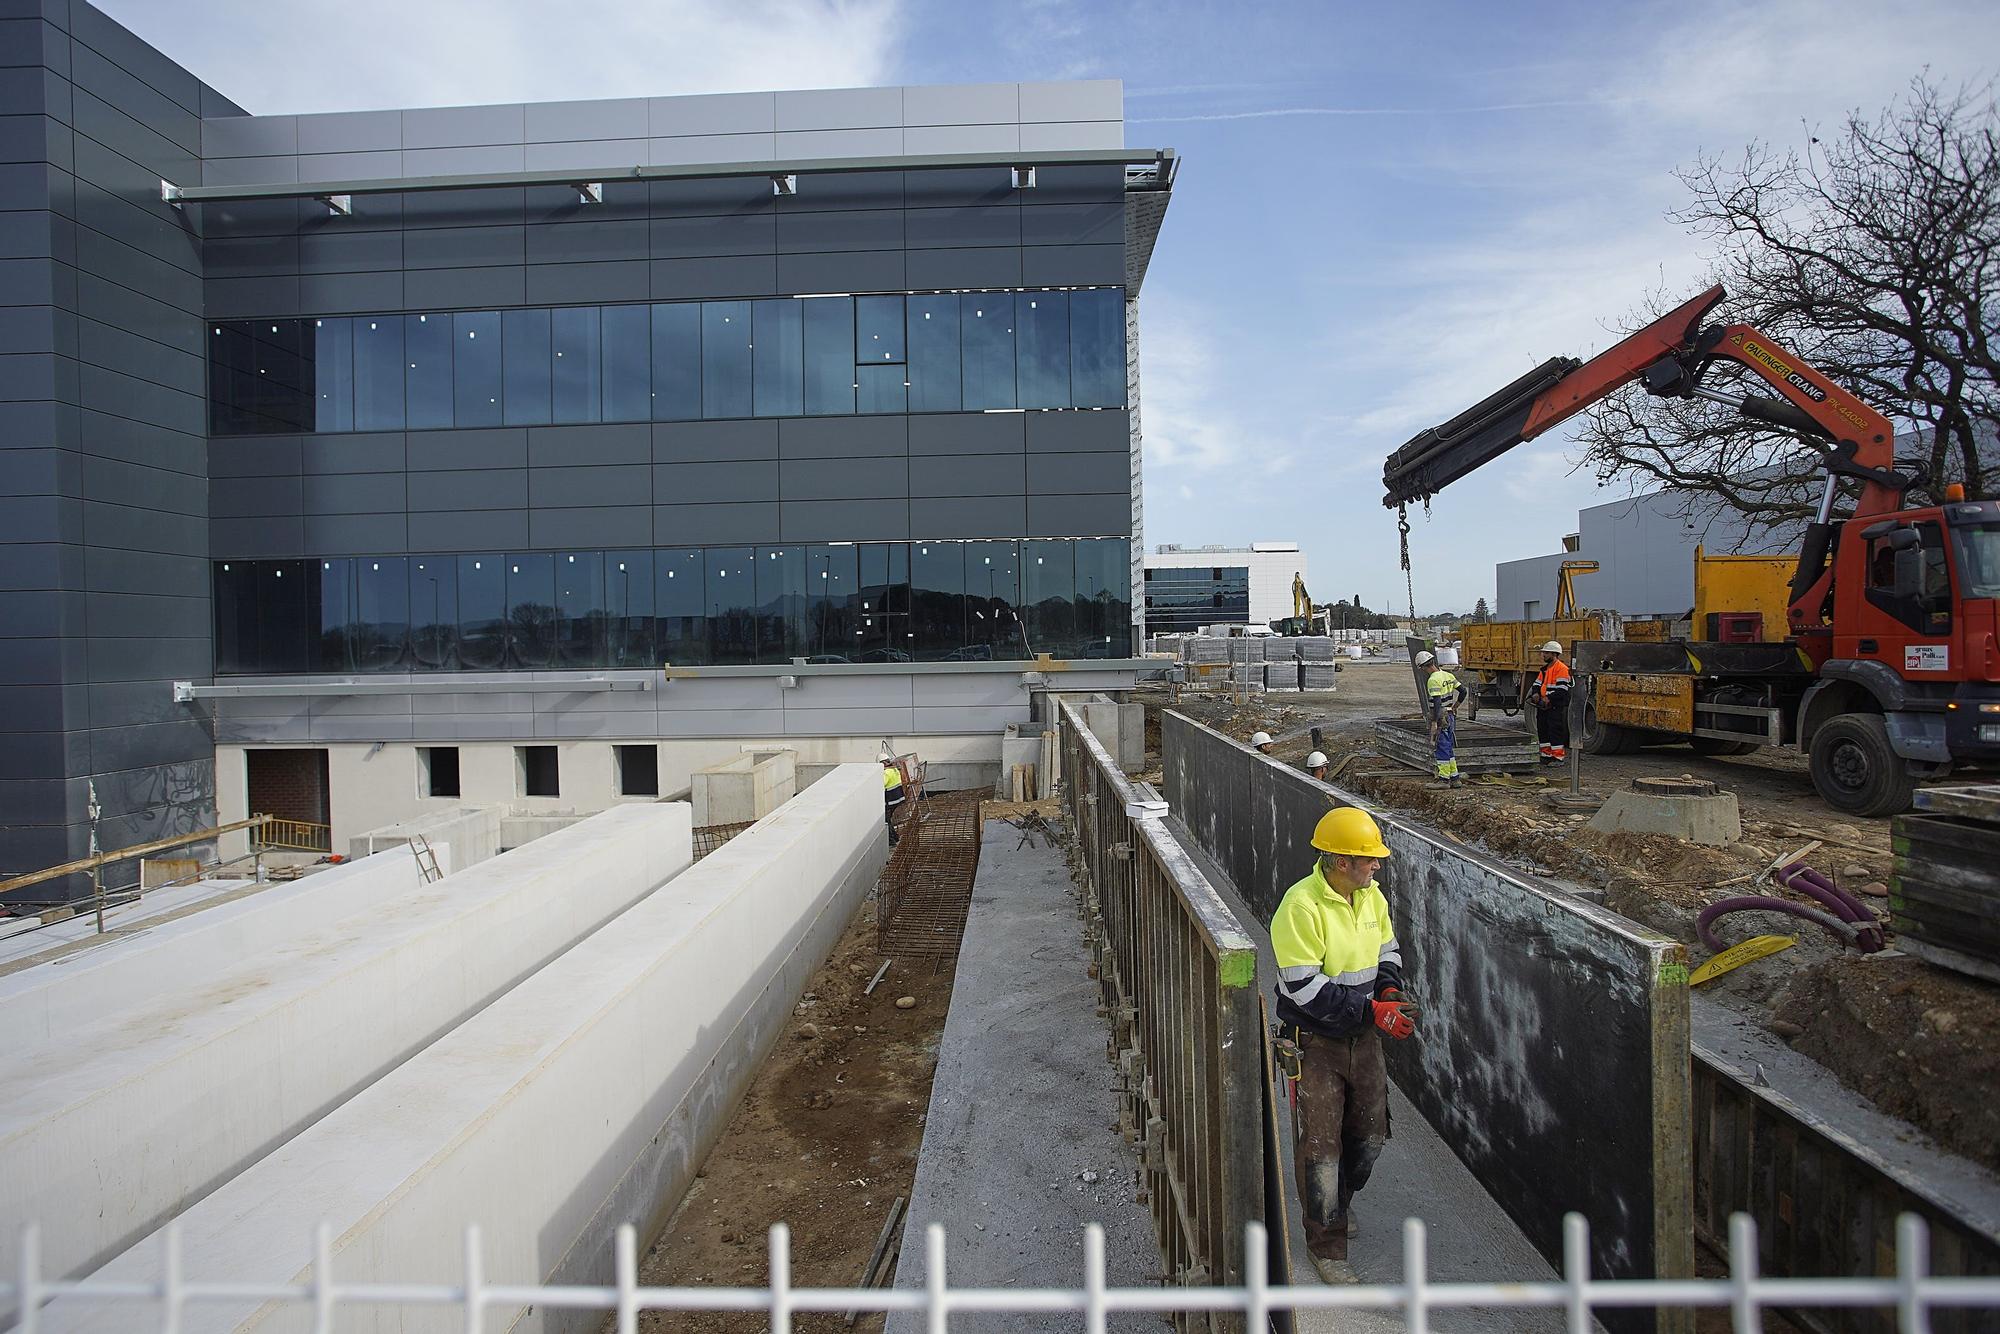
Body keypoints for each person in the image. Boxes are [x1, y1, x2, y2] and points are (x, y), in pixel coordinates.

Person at [1272, 806, 1417, 1285]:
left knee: (1370, 1135)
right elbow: (1302, 988)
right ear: (1339, 862)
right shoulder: (1300, 908)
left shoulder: (1370, 897)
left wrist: (1390, 991)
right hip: (1316, 1042)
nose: (1376, 866)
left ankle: (1338, 1204)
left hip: (1363, 1039)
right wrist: (1372, 1011)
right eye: (1367, 859)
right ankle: (1326, 1246)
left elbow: (1386, 950)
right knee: (1321, 1148)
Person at [1414, 650, 1466, 787]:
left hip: (1441, 716)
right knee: (1448, 746)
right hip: (1450, 714)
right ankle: (1455, 778)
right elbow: (1463, 691)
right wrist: (1455, 706)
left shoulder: (1433, 680)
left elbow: (1437, 703)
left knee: (1441, 747)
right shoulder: (1448, 675)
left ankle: (1444, 779)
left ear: (1423, 667)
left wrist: (1435, 723)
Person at [1532, 640, 1572, 765]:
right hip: (1544, 706)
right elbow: (1537, 684)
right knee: (1543, 729)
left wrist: (1549, 698)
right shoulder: (1544, 669)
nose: (1543, 655)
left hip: (1555, 706)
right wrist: (1536, 693)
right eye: (1543, 653)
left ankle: (1558, 757)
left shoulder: (1562, 669)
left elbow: (1562, 690)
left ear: (1554, 654)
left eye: (1546, 653)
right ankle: (1546, 755)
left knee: (1555, 730)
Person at [881, 757, 906, 845]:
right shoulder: (894, 769)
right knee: (889, 819)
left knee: (886, 821)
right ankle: (895, 837)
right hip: (898, 799)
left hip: (891, 800)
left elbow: (882, 784)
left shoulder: (887, 772)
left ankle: (891, 841)